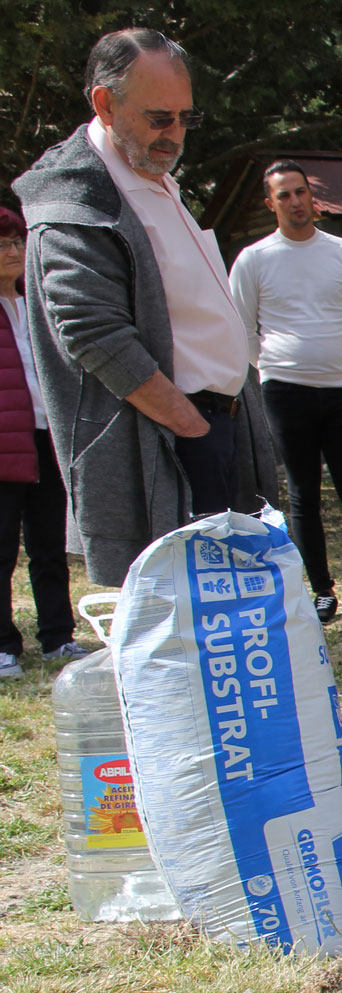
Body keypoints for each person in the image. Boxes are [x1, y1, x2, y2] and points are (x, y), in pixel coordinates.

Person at [15, 28, 277, 586]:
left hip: (211, 426)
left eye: (186, 119)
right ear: (104, 103)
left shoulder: (148, 173)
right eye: (160, 118)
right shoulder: (77, 196)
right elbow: (92, 335)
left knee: (223, 623)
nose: (175, 135)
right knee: (178, 625)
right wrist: (190, 426)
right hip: (167, 440)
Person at [228, 161, 342, 625]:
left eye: (301, 192)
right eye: (284, 196)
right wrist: (280, 365)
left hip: (340, 387)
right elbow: (241, 328)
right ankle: (321, 590)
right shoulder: (254, 259)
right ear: (270, 203)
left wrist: (335, 360)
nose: (295, 203)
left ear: (311, 196)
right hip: (283, 390)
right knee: (303, 495)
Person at [0, 208, 89, 677]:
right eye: (4, 245)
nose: (15, 252)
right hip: (3, 444)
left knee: (49, 546)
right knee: (1, 550)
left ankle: (58, 638)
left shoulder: (35, 303)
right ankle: (3, 646)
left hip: (44, 436)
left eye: (18, 242)